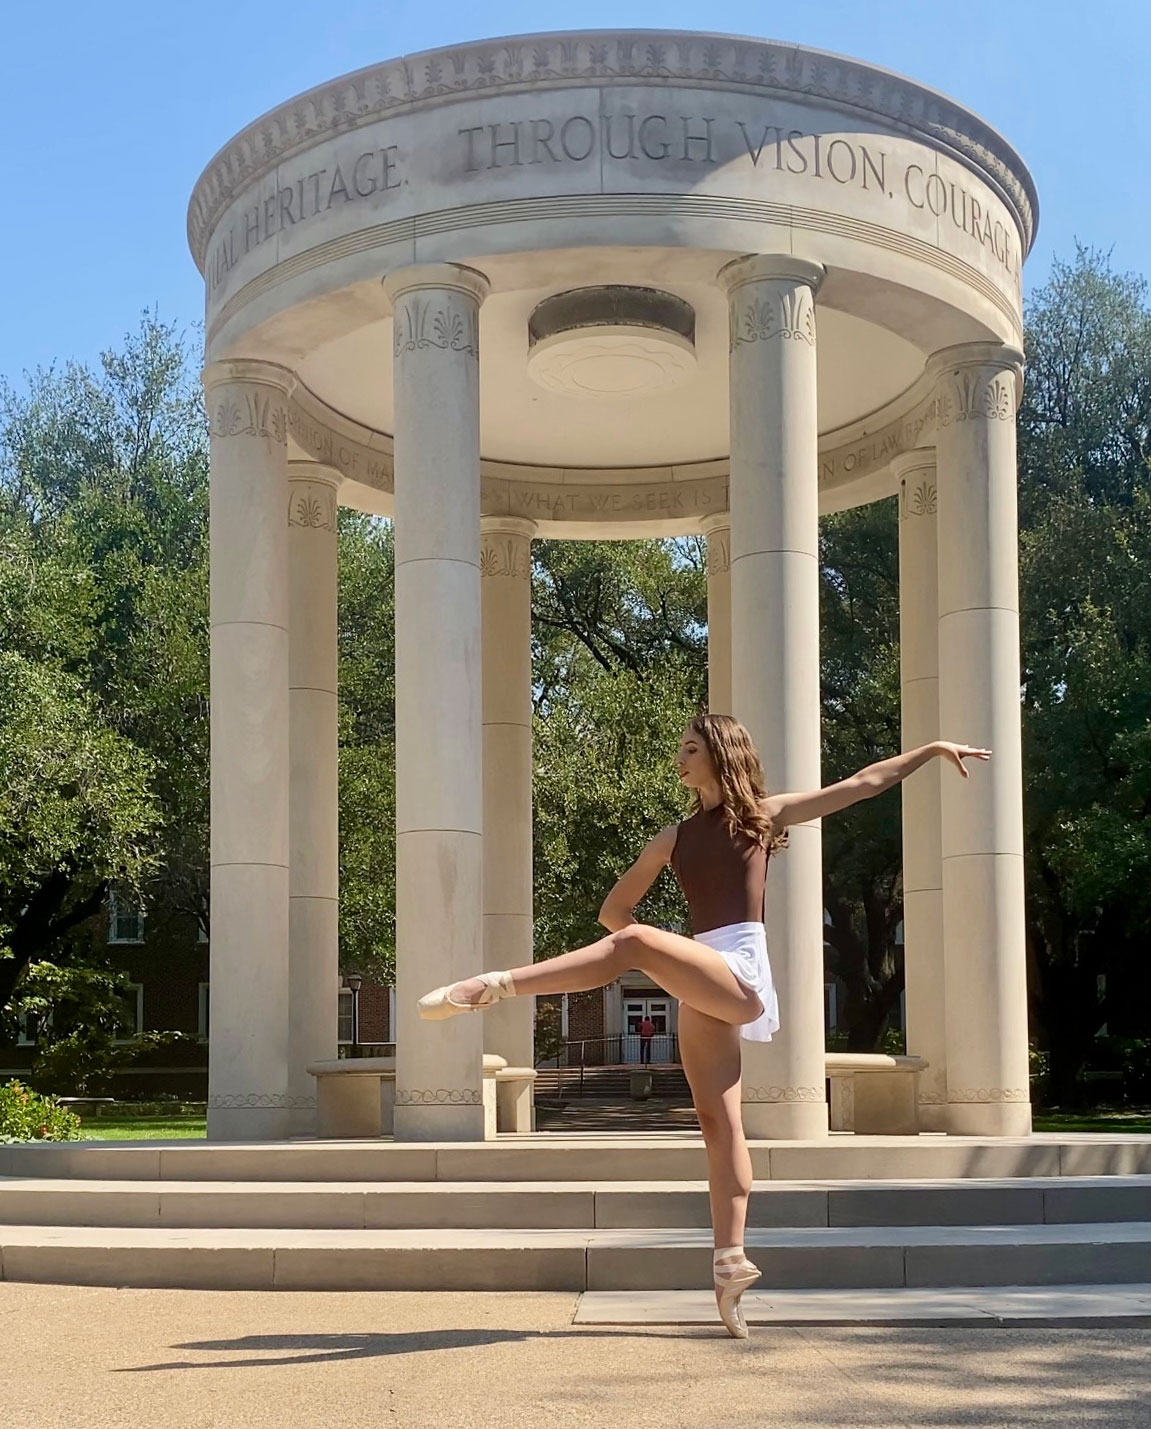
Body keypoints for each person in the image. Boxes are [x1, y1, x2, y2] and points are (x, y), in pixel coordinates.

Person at [418, 714, 990, 1338]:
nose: (679, 759)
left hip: (740, 968)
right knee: (719, 1124)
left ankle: (492, 986)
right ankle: (730, 1265)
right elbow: (613, 910)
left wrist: (930, 750)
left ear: (720, 754)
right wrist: (668, 965)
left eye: (690, 749)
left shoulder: (765, 816)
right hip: (705, 976)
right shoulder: (671, 839)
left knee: (636, 942)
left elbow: (860, 782)